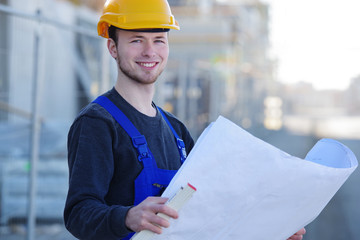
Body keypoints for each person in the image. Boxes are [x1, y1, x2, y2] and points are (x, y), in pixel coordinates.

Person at [64, 0, 305, 239]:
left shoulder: (176, 130)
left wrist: (270, 230)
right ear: (113, 47)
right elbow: (78, 213)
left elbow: (207, 209)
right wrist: (127, 217)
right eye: (136, 40)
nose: (150, 51)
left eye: (159, 40)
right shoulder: (97, 123)